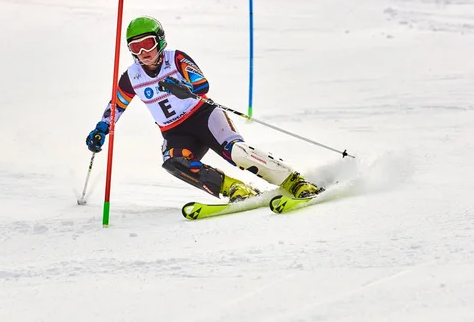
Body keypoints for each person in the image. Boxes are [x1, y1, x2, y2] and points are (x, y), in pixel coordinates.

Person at [86, 16, 322, 202]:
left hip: (204, 116)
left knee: (236, 152)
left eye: (147, 44)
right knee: (174, 161)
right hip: (175, 132)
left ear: (159, 41)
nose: (142, 53)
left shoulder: (175, 58)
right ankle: (234, 188)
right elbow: (116, 106)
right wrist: (101, 129)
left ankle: (294, 181)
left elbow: (202, 84)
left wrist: (184, 88)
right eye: (135, 47)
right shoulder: (131, 77)